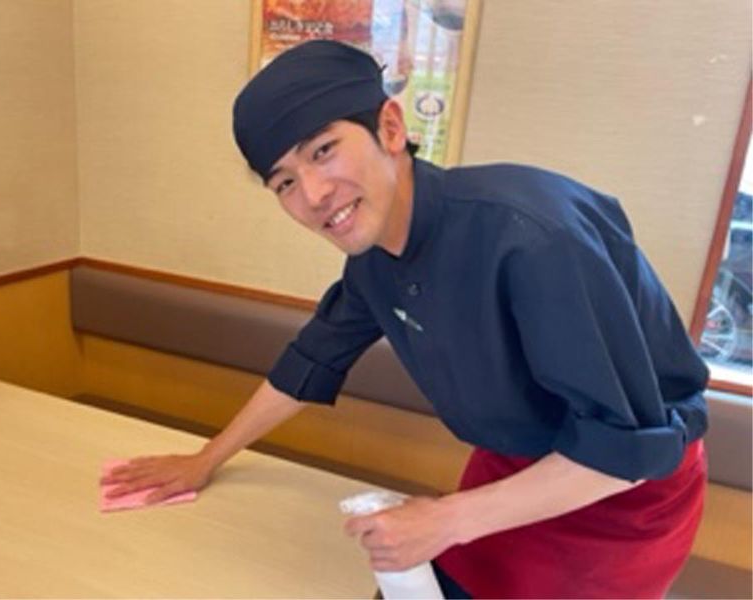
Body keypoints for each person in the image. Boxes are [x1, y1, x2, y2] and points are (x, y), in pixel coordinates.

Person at [102, 40, 709, 599]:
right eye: (284, 182)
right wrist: (205, 459)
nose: (312, 194)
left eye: (323, 151)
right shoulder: (374, 261)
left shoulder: (532, 238)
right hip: (513, 465)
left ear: (390, 128)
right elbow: (310, 360)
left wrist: (445, 519)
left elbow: (626, 449)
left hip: (625, 494)